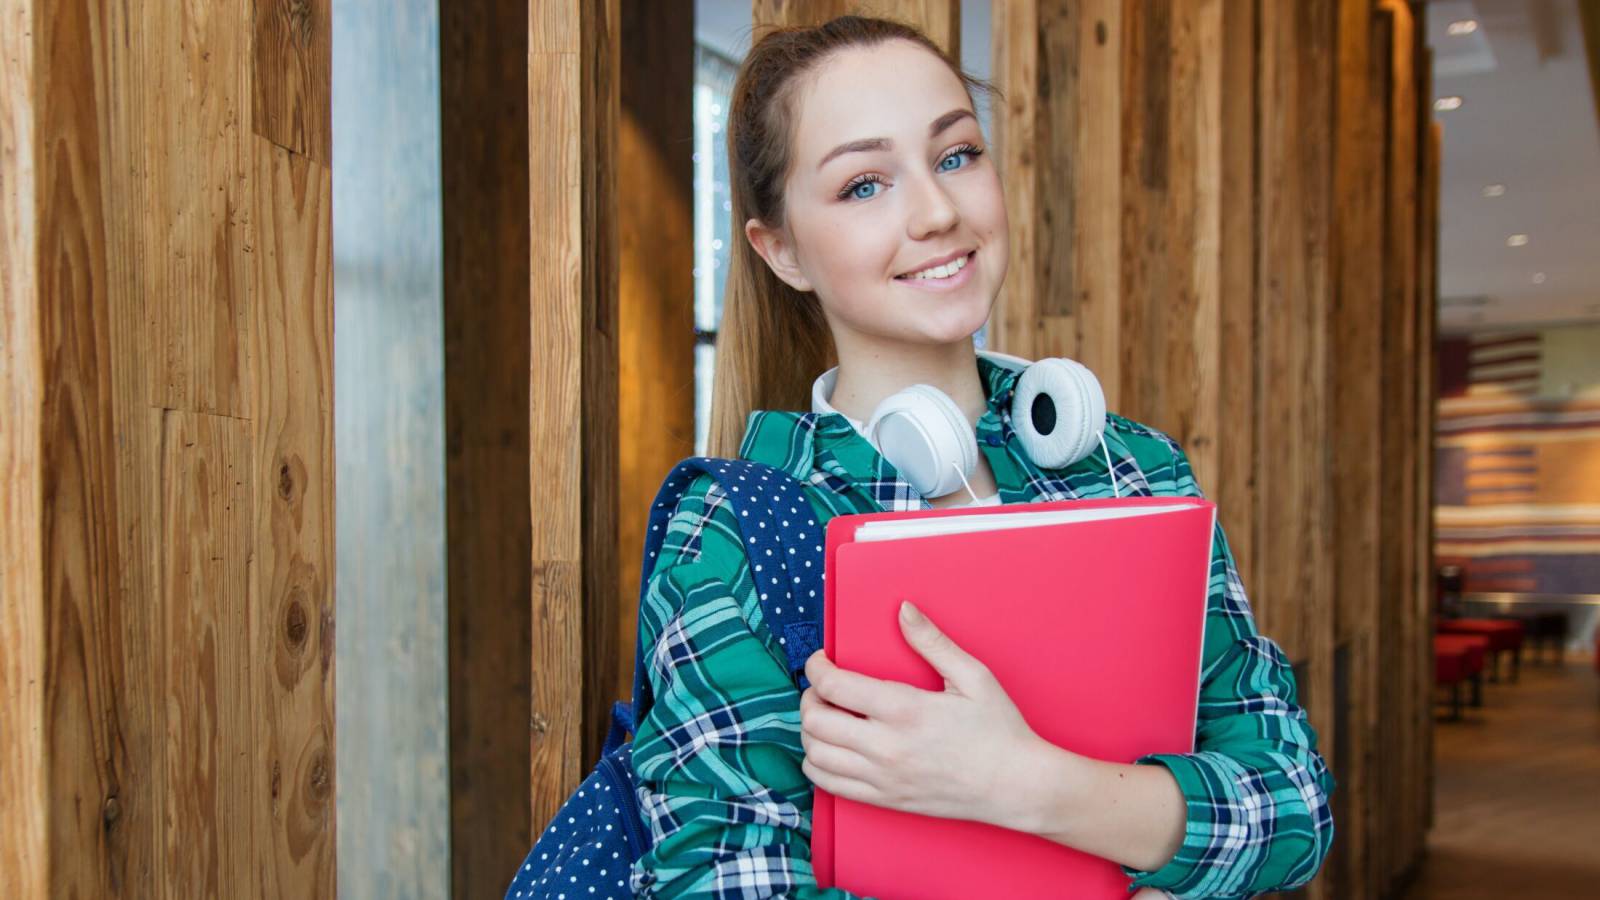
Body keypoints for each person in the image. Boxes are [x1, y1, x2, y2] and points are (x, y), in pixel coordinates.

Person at [628, 15, 1335, 899]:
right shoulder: (737, 530)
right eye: (863, 185)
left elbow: (1294, 804)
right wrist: (1155, 840)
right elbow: (721, 881)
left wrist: (1024, 785)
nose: (937, 212)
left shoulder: (1135, 471)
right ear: (782, 250)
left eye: (956, 155)